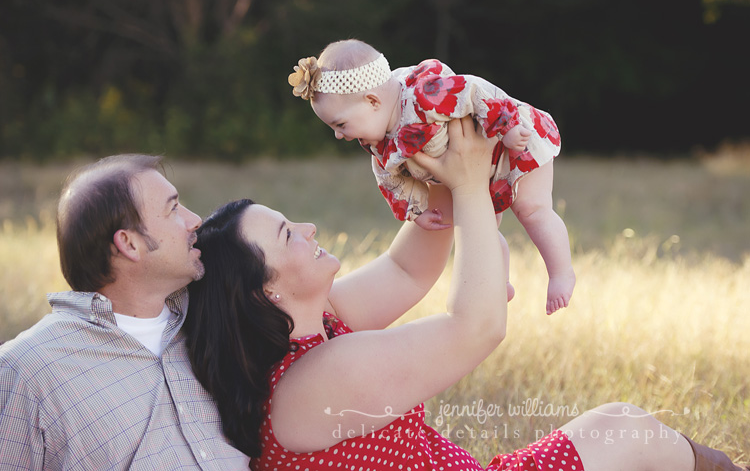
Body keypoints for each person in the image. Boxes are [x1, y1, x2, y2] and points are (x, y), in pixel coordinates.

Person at [184, 118, 746, 471]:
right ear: (264, 294)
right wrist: (473, 186)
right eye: (286, 234)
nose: (307, 228)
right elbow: (475, 328)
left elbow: (406, 269)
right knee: (628, 429)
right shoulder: (314, 381)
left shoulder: (317, 324)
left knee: (627, 429)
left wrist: (432, 158)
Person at [288, 38, 575, 315]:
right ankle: (499, 284)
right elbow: (389, 179)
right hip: (477, 173)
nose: (338, 135)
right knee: (478, 226)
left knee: (531, 209)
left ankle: (561, 273)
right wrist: (416, 210)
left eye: (340, 124)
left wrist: (508, 127)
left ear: (373, 101)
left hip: (511, 144)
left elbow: (476, 91)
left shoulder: (424, 95)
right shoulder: (377, 139)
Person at [0, 155, 249, 469]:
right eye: (173, 209)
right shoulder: (29, 369)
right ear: (129, 244)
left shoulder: (211, 319)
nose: (194, 220)